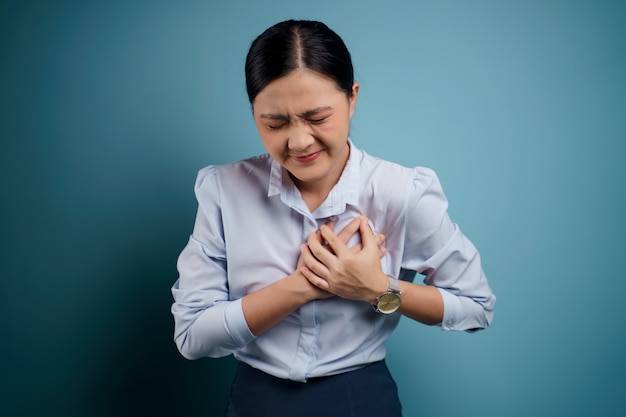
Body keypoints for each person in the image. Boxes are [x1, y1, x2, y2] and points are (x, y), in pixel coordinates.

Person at [171, 19, 495, 417]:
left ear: (352, 98)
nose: (299, 141)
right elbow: (192, 337)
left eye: (317, 117)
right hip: (256, 401)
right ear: (254, 112)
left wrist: (378, 289)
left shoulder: (402, 192)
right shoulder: (224, 191)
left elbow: (476, 307)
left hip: (361, 399)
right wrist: (303, 286)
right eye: (274, 123)